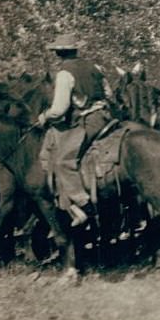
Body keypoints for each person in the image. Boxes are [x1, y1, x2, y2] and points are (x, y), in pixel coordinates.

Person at [37, 33, 112, 226]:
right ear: (76, 49)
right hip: (106, 116)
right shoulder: (95, 67)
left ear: (58, 53)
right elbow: (108, 92)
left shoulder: (64, 74)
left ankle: (83, 204)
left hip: (88, 121)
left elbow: (59, 109)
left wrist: (45, 116)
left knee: (63, 161)